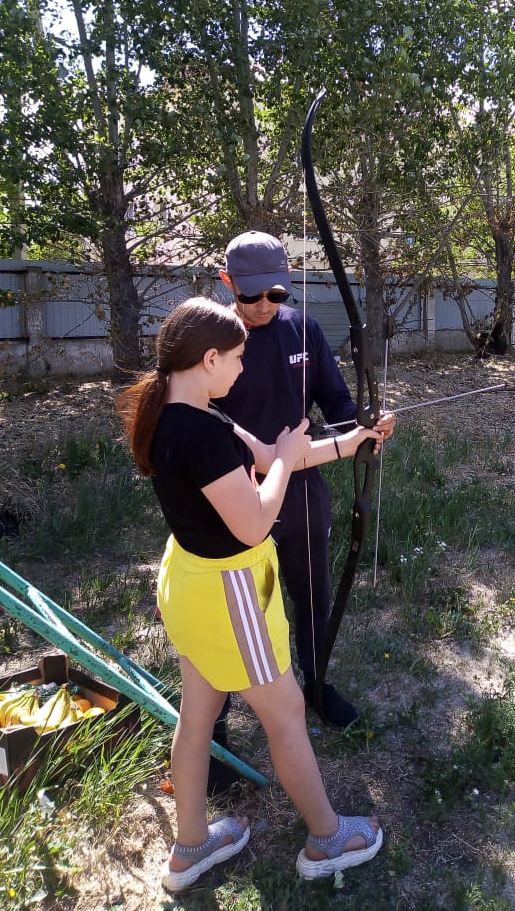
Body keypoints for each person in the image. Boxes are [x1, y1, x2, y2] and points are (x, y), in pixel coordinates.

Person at [117, 296, 383, 892]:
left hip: (191, 585)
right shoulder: (200, 434)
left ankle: (189, 848)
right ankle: (327, 839)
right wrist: (285, 461)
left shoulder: (185, 411)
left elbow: (267, 457)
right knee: (286, 714)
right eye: (237, 358)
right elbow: (255, 521)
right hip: (229, 595)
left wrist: (353, 442)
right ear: (209, 359)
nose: (242, 369)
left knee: (196, 718)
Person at [217, 231, 395, 729]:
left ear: (289, 280)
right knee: (235, 608)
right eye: (250, 294)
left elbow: (336, 403)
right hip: (237, 492)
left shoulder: (304, 329)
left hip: (302, 488)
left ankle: (316, 682)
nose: (264, 305)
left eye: (276, 293)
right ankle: (217, 716)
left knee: (312, 593)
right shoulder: (211, 340)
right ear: (227, 281)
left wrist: (365, 423)